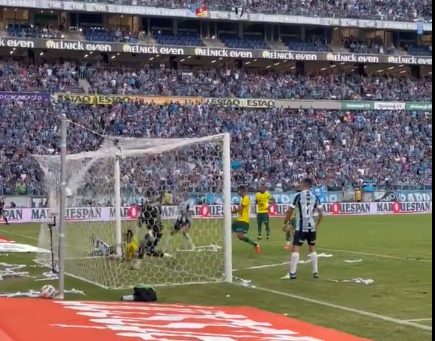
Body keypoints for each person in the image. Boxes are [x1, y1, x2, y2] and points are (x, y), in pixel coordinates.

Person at [283, 178, 323, 279]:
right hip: (311, 226)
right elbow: (321, 213)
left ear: (303, 185)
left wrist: (286, 222)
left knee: (295, 249)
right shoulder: (316, 197)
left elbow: (290, 210)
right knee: (312, 248)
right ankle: (315, 272)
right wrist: (317, 225)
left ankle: (292, 273)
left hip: (301, 227)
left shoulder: (298, 195)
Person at [232, 186, 261, 253]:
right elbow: (240, 210)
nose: (238, 193)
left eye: (238, 191)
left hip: (243, 220)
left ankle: (255, 244)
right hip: (239, 219)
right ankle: (226, 249)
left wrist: (234, 210)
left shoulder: (246, 198)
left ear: (242, 191)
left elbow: (241, 209)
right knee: (228, 231)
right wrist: (235, 211)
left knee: (240, 236)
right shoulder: (243, 199)